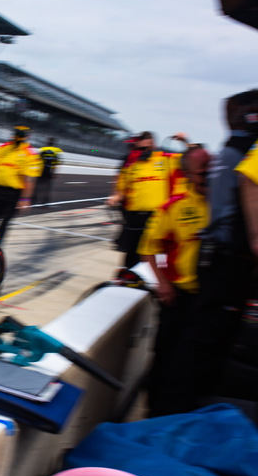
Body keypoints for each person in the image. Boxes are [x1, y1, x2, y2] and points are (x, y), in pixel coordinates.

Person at [166, 89, 258, 414]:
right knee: (205, 342)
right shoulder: (243, 154)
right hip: (228, 260)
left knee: (207, 340)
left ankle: (185, 407)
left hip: (219, 258)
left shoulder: (231, 150)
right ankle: (183, 411)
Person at [137, 144, 210, 417]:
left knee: (195, 363)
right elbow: (147, 249)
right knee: (166, 356)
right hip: (180, 297)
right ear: (188, 174)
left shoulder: (228, 204)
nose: (208, 178)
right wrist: (163, 283)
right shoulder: (174, 207)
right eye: (202, 173)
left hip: (212, 299)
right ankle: (154, 413)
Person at [106, 132, 172, 270]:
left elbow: (188, 160)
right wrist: (116, 195)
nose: (145, 150)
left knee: (155, 249)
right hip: (134, 212)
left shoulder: (164, 158)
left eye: (148, 146)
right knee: (132, 249)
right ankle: (128, 274)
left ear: (154, 144)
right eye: (142, 146)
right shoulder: (129, 159)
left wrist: (185, 141)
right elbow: (120, 179)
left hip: (158, 214)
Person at [33, 137, 62, 206]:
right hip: (49, 170)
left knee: (37, 186)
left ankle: (34, 200)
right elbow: (57, 162)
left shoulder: (42, 149)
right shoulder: (57, 151)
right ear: (54, 143)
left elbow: (37, 160)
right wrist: (54, 173)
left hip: (41, 170)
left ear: (47, 142)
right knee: (47, 187)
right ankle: (45, 202)